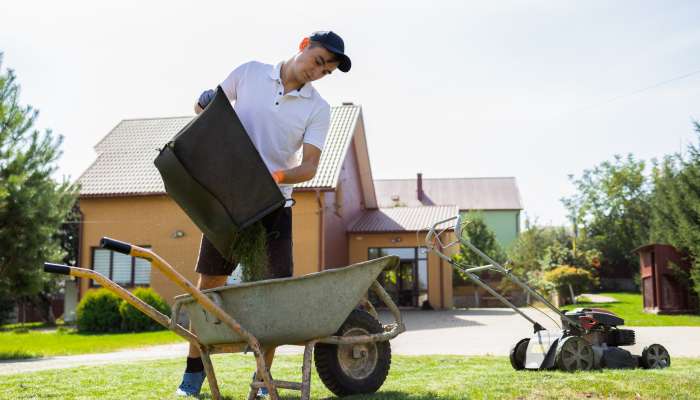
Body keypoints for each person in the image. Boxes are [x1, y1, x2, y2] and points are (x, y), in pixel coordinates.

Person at [176, 30, 351, 398]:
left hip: (274, 207)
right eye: (319, 61)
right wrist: (202, 100)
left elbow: (310, 168)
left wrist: (273, 177)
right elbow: (205, 110)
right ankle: (192, 379)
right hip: (230, 200)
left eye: (328, 71)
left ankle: (260, 383)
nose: (319, 72)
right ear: (304, 45)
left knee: (272, 298)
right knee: (208, 288)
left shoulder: (317, 108)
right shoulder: (250, 73)